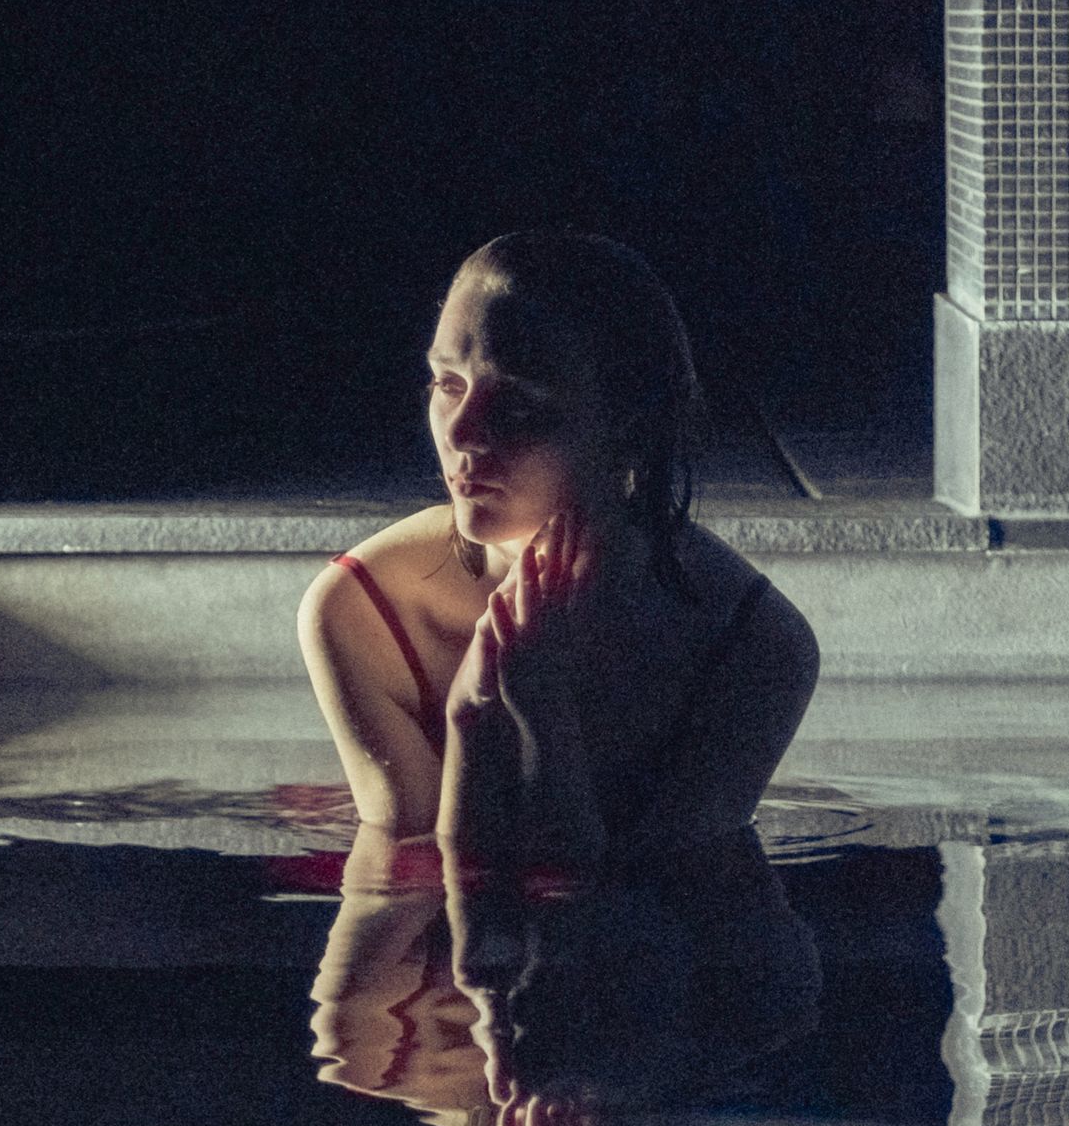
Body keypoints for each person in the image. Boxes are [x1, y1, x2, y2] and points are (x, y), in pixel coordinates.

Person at [298, 230, 820, 876]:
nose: (460, 433)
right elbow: (413, 888)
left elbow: (661, 903)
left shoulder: (755, 644)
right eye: (447, 383)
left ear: (629, 424)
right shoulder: (362, 609)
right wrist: (475, 716)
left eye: (517, 402)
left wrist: (539, 712)